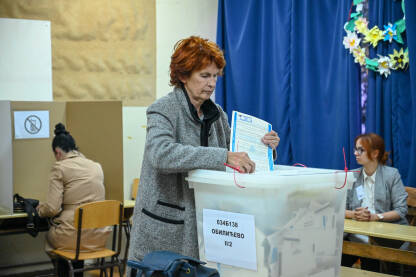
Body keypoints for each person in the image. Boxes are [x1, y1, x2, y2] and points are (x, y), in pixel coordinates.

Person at [128, 36, 280, 264]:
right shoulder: (162, 109)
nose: (211, 83)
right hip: (166, 230)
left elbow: (236, 155)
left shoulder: (218, 115)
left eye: (215, 76)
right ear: (182, 75)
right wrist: (223, 156)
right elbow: (161, 154)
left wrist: (262, 146)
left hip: (209, 226)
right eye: (204, 75)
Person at [36, 123, 110, 277]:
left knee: (53, 238)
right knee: (77, 236)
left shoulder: (60, 168)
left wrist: (38, 209)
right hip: (99, 236)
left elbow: (52, 208)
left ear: (57, 152)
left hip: (72, 237)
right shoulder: (96, 166)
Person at [342, 133, 408, 273]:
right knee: (334, 263)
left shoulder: (392, 175)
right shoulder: (353, 176)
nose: (355, 153)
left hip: (381, 239)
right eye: (355, 149)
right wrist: (354, 214)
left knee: (371, 265)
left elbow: (401, 210)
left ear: (375, 153)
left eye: (361, 150)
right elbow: (340, 208)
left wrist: (376, 217)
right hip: (354, 237)